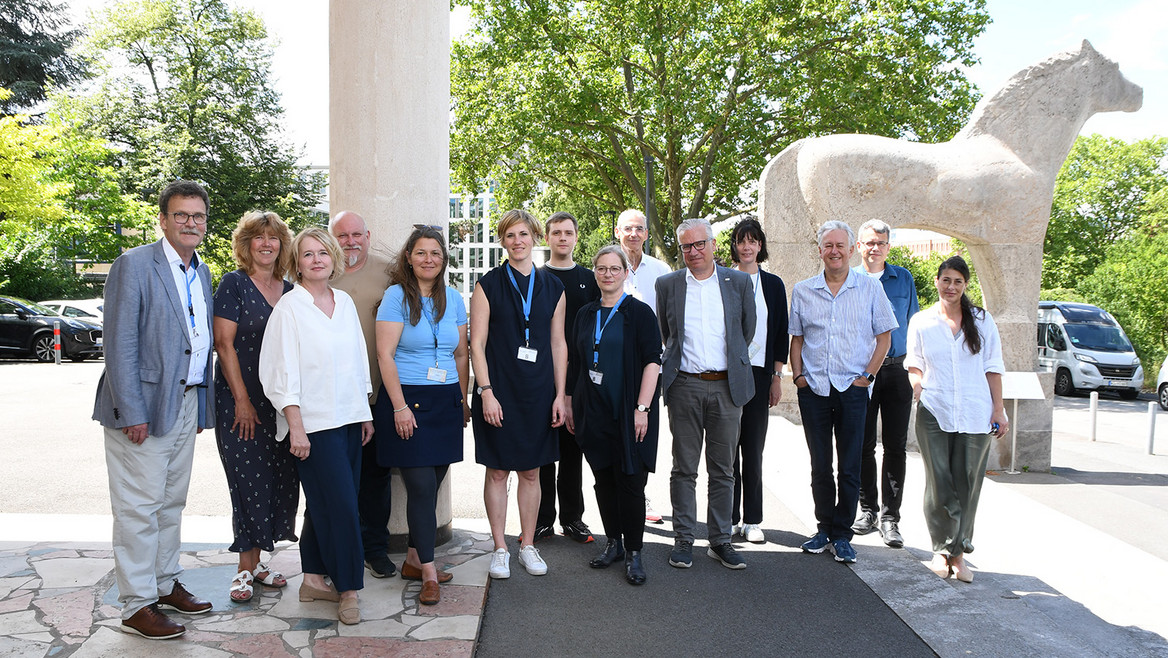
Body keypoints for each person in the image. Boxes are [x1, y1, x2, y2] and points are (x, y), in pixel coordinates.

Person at [93, 180, 216, 639]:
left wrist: (200, 406)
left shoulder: (200, 269)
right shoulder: (134, 265)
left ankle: (164, 584)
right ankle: (136, 604)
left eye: (198, 216)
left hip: (184, 401)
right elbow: (120, 342)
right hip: (142, 408)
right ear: (163, 219)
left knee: (170, 502)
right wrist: (132, 411)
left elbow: (196, 342)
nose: (190, 223)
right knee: (138, 507)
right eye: (181, 215)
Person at [259, 227, 373, 625]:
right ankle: (349, 589)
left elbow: (358, 359)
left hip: (347, 421)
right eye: (307, 254)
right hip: (313, 427)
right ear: (297, 263)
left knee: (328, 503)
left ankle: (311, 579)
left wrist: (364, 413)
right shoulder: (289, 309)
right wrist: (297, 427)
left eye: (323, 252)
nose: (317, 259)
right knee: (342, 507)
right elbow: (279, 373)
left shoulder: (342, 302)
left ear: (333, 257)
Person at [789, 220, 897, 565]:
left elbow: (884, 337)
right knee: (820, 464)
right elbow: (797, 338)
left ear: (851, 250)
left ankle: (843, 534)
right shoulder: (804, 290)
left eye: (840, 246)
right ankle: (824, 528)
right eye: (828, 246)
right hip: (815, 389)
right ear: (819, 250)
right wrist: (799, 377)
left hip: (852, 390)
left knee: (849, 466)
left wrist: (867, 376)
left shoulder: (868, 289)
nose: (834, 252)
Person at [374, 226, 469, 606]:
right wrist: (398, 407)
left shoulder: (455, 299)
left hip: (445, 401)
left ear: (444, 261)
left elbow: (460, 354)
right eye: (421, 252)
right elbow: (385, 355)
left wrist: (462, 401)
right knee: (422, 487)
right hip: (407, 401)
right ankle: (429, 572)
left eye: (436, 253)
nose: (429, 259)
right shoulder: (396, 296)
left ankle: (415, 559)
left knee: (434, 482)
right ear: (409, 258)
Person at [470, 209, 567, 579]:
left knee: (531, 472)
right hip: (499, 392)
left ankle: (527, 544)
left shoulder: (553, 288)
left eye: (524, 233)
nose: (518, 241)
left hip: (539, 393)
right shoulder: (488, 284)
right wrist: (486, 391)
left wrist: (560, 395)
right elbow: (476, 345)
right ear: (503, 241)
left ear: (535, 237)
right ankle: (499, 548)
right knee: (497, 472)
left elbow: (559, 345)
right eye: (510, 235)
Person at [656, 218, 755, 570]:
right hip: (684, 385)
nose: (693, 252)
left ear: (713, 244)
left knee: (723, 470)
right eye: (686, 246)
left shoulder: (739, 282)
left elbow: (746, 330)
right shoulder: (667, 284)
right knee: (683, 467)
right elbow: (667, 334)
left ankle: (720, 540)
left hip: (728, 387)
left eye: (700, 244)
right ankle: (683, 539)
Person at [212, 211, 298, 603]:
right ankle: (243, 570)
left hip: (279, 404)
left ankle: (259, 562)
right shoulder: (233, 284)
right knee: (246, 483)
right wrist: (242, 401)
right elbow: (224, 344)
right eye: (258, 238)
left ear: (282, 245)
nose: (266, 244)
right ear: (246, 245)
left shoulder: (293, 290)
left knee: (276, 481)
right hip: (239, 401)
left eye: (274, 238)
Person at [906, 255, 1008, 584]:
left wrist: (998, 409)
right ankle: (940, 548)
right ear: (937, 281)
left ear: (965, 286)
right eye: (946, 280)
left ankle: (959, 553)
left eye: (958, 282)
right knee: (939, 480)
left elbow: (993, 366)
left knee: (967, 481)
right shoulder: (922, 321)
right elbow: (914, 362)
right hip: (935, 409)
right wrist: (918, 386)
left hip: (975, 413)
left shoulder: (981, 320)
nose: (951, 287)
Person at [568, 245, 662, 585]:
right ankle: (614, 544)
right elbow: (577, 364)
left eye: (614, 269)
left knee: (631, 483)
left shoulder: (639, 313)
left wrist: (642, 408)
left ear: (624, 273)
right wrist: (569, 402)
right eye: (601, 269)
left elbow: (653, 361)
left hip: (630, 413)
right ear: (595, 273)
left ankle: (635, 552)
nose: (607, 274)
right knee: (603, 481)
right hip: (593, 411)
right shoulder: (585, 314)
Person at [330, 210, 396, 579]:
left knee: (376, 478)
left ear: (368, 236)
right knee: (336, 480)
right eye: (342, 235)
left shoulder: (389, 273)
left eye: (357, 234)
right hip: (332, 398)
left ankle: (375, 549)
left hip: (378, 394)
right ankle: (338, 550)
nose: (351, 242)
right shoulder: (318, 270)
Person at [852, 219, 919, 548]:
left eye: (880, 242)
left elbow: (914, 325)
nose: (874, 248)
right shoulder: (849, 280)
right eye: (869, 242)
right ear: (859, 246)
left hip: (896, 371)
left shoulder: (903, 278)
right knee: (862, 445)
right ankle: (867, 510)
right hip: (861, 373)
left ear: (888, 247)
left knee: (895, 447)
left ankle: (891, 518)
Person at [536, 211, 600, 544]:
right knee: (545, 452)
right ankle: (542, 518)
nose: (562, 238)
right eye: (556, 232)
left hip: (579, 378)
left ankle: (572, 518)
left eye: (568, 232)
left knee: (573, 451)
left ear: (576, 237)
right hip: (541, 377)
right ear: (547, 238)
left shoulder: (589, 280)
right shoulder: (535, 277)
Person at [728, 219, 788, 545]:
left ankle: (752, 519)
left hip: (760, 373)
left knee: (753, 448)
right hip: (727, 374)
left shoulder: (774, 285)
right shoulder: (723, 280)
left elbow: (780, 334)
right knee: (727, 450)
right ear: (735, 246)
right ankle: (729, 517)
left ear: (760, 246)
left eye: (753, 241)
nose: (747, 247)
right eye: (741, 241)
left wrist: (777, 377)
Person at [614, 208, 671, 524]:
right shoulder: (608, 266)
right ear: (617, 232)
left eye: (639, 229)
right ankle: (618, 495)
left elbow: (672, 318)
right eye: (627, 229)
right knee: (615, 432)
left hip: (651, 366)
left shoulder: (661, 270)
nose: (633, 234)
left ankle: (641, 494)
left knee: (644, 432)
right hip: (613, 367)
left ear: (646, 234)